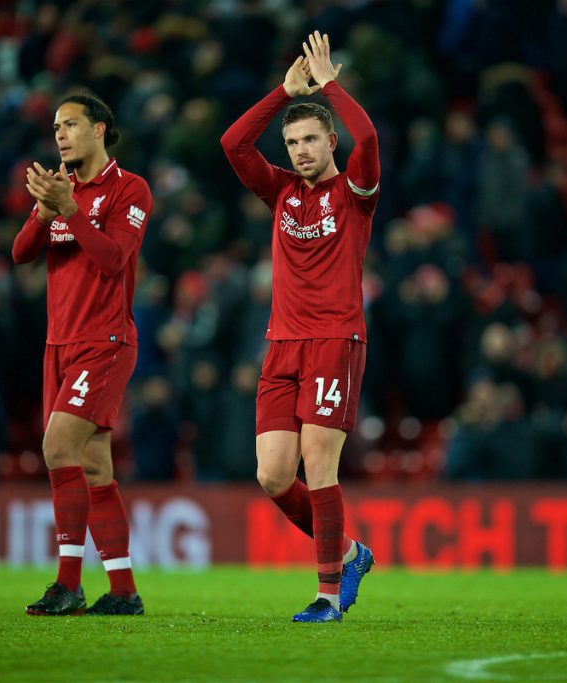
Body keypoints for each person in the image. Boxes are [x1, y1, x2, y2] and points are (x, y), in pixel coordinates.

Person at [220, 31, 377, 623]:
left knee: (319, 462)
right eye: (291, 141)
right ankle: (351, 553)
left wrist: (330, 85)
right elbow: (233, 143)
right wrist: (281, 93)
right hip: (281, 343)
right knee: (272, 474)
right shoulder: (282, 190)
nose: (301, 149)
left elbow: (371, 136)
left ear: (330, 140)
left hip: (336, 339)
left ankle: (328, 597)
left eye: (310, 138)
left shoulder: (355, 192)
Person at [12, 91, 152, 616]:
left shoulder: (129, 189)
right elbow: (21, 253)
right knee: (94, 469)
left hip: (105, 342)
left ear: (100, 129)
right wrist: (47, 211)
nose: (61, 135)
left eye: (70, 124)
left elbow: (114, 260)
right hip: (59, 344)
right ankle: (123, 591)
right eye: (55, 128)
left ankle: (67, 584)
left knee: (56, 449)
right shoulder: (60, 190)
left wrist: (74, 212)